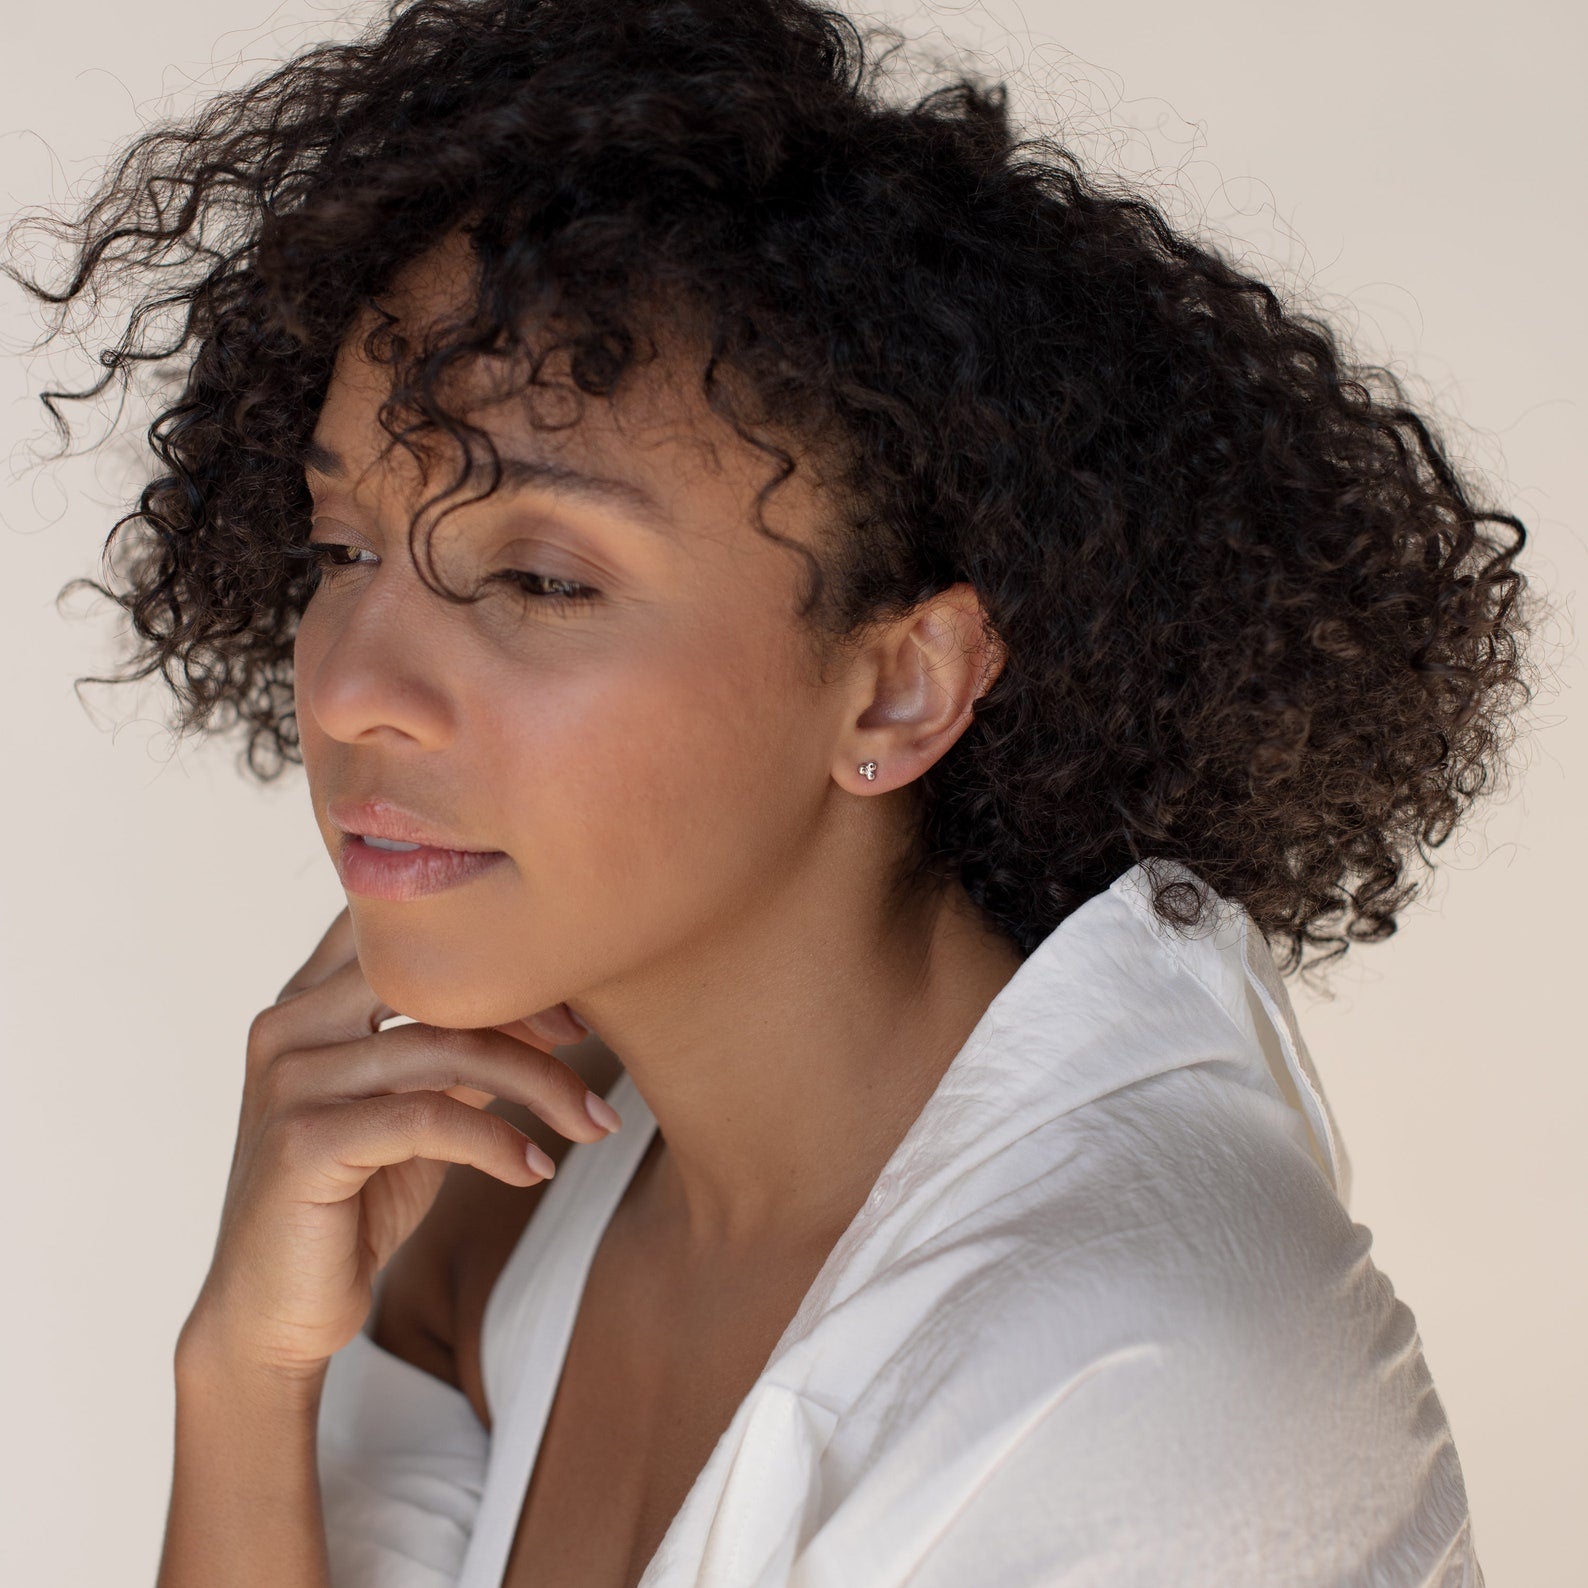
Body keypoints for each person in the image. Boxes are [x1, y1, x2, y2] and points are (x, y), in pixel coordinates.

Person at [9, 0, 1539, 1583]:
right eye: (340, 550)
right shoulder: (502, 1201)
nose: (343, 686)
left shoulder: (1146, 1388)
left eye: (536, 577)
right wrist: (243, 1380)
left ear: (899, 685)